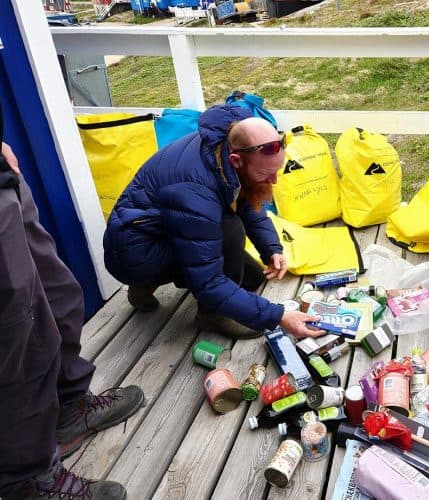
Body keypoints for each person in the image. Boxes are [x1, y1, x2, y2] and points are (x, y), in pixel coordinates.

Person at [0, 110, 144, 498]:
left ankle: (70, 403)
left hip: (3, 175)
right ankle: (26, 477)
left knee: (58, 292)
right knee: (16, 332)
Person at [103, 104, 322, 339]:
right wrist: (278, 316)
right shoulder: (194, 194)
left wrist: (271, 248)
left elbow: (248, 194)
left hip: (164, 226)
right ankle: (210, 315)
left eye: (276, 170)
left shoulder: (228, 139)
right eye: (265, 174)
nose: (274, 180)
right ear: (236, 160)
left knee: (253, 278)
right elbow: (208, 282)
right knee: (230, 229)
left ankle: (149, 284)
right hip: (136, 253)